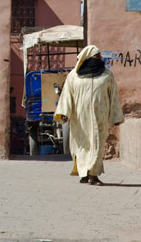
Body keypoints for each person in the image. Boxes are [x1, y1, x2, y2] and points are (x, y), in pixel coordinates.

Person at [53, 44, 124, 186]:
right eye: (97, 56)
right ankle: (84, 173)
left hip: (100, 118)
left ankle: (94, 175)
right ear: (88, 58)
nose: (100, 59)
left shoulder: (107, 75)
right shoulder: (74, 75)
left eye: (100, 56)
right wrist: (64, 113)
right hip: (79, 119)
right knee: (81, 146)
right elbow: (67, 95)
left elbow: (114, 96)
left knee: (97, 145)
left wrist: (115, 116)